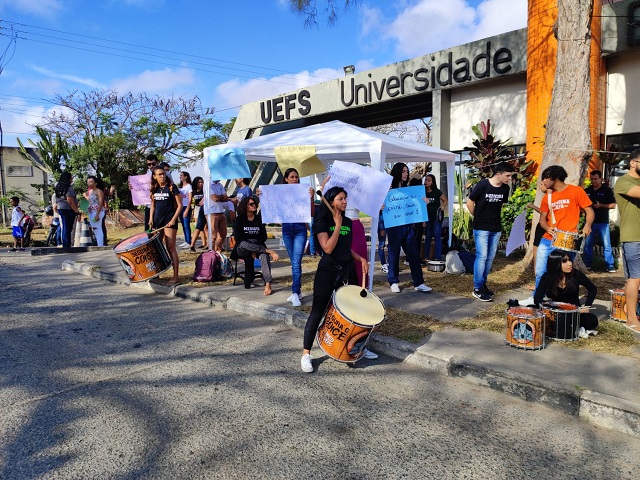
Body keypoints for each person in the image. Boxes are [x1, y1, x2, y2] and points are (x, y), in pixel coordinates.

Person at [300, 186, 373, 373]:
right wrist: (337, 225)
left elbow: (344, 247)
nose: (345, 202)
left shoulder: (348, 221)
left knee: (353, 312)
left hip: (346, 271)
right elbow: (328, 248)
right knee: (318, 311)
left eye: (345, 198)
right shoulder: (322, 221)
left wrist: (360, 258)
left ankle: (357, 348)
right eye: (341, 199)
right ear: (331, 201)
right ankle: (306, 354)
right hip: (328, 272)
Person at [536, 165, 594, 289]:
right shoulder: (547, 197)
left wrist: (587, 225)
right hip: (548, 239)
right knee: (541, 271)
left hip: (568, 239)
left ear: (555, 178)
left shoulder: (576, 191)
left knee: (565, 272)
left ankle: (562, 299)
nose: (543, 181)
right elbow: (542, 220)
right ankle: (538, 297)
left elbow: (589, 211)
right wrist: (547, 228)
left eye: (545, 178)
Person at [466, 162, 514, 301]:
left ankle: (483, 284)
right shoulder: (482, 185)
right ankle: (477, 288)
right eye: (507, 175)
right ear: (498, 174)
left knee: (490, 257)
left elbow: (499, 206)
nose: (509, 178)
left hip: (495, 228)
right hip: (481, 228)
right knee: (482, 256)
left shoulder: (505, 188)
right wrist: (479, 218)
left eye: (510, 176)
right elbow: (470, 202)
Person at [384, 163, 432, 293]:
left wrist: (424, 202)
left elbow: (416, 203)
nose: (406, 174)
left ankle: (419, 282)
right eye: (403, 171)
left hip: (408, 226)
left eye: (407, 171)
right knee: (394, 253)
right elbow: (379, 204)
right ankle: (393, 281)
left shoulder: (410, 189)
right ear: (397, 172)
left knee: (414, 254)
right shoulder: (388, 188)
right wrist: (381, 205)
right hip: (394, 226)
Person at [533, 250, 599, 338]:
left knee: (592, 320)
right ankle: (566, 327)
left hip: (573, 312)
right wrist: (549, 308)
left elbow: (592, 289)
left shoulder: (576, 274)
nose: (570, 264)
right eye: (564, 261)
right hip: (555, 312)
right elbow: (537, 299)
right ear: (555, 264)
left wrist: (587, 306)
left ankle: (566, 327)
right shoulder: (547, 277)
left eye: (569, 260)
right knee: (531, 309)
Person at [279, 168, 315, 307]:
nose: (295, 179)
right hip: (287, 229)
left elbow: (311, 213)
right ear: (286, 179)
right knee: (294, 261)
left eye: (297, 177)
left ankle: (295, 292)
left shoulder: (303, 193)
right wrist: (262, 195)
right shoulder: (280, 194)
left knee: (296, 262)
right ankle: (297, 291)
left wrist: (311, 198)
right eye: (292, 177)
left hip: (300, 229)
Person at [614, 149, 640, 333]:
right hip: (634, 238)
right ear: (633, 163)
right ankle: (631, 318)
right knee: (635, 278)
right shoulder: (624, 182)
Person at [232, 196, 280, 295]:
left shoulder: (259, 219)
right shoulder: (239, 219)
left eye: (254, 203)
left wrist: (255, 249)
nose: (254, 205)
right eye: (251, 204)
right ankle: (270, 251)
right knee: (244, 244)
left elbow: (263, 236)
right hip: (243, 248)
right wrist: (253, 250)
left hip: (258, 244)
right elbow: (238, 238)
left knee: (264, 256)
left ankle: (268, 283)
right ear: (245, 206)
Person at [149, 166, 181, 285]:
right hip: (158, 222)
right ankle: (157, 274)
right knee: (156, 248)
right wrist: (151, 220)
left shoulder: (172, 187)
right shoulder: (154, 188)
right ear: (154, 176)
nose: (162, 176)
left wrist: (173, 219)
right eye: (159, 174)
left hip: (169, 220)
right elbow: (153, 205)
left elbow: (180, 206)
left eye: (163, 174)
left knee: (170, 247)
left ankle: (175, 276)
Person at [583, 170, 617, 272]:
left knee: (606, 244)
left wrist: (600, 205)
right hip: (590, 223)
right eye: (592, 179)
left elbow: (613, 205)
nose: (594, 181)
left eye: (596, 179)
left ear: (601, 179)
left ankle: (610, 265)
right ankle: (587, 264)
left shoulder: (606, 190)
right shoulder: (587, 191)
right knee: (588, 244)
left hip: (603, 222)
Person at [423, 173, 448, 261]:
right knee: (428, 236)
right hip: (427, 217)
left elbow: (445, 200)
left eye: (429, 180)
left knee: (437, 236)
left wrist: (442, 206)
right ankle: (426, 257)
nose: (426, 182)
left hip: (437, 217)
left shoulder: (437, 191)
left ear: (432, 183)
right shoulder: (423, 192)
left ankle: (438, 257)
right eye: (425, 180)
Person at [54, 171, 80, 248]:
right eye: (71, 177)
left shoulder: (58, 188)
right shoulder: (68, 188)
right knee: (68, 227)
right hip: (68, 209)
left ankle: (66, 244)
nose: (72, 179)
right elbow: (70, 201)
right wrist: (76, 211)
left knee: (65, 227)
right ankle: (66, 245)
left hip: (61, 208)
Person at [208, 179, 229, 252]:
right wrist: (222, 196)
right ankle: (211, 253)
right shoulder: (208, 185)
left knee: (223, 234)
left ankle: (218, 250)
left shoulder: (220, 185)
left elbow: (226, 198)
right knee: (213, 236)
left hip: (220, 211)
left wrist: (220, 197)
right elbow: (215, 198)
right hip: (212, 212)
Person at [84, 176, 105, 246]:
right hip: (91, 212)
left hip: (97, 212)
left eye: (91, 182)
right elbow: (90, 201)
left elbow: (101, 203)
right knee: (95, 228)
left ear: (95, 183)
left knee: (97, 228)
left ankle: (100, 245)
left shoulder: (99, 191)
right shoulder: (90, 191)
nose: (89, 183)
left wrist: (97, 214)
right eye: (88, 182)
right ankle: (99, 244)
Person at [189, 176, 207, 251]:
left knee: (205, 227)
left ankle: (207, 243)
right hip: (197, 208)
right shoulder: (193, 191)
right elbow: (191, 201)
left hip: (204, 208)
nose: (201, 184)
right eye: (199, 182)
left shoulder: (204, 190)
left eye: (202, 182)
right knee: (199, 227)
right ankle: (203, 243)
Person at [177, 171, 193, 249]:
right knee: (183, 225)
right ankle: (186, 240)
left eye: (181, 175)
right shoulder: (180, 187)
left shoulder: (189, 186)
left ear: (186, 177)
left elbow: (190, 199)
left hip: (186, 206)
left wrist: (187, 209)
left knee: (187, 225)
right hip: (180, 207)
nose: (180, 177)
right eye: (180, 176)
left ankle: (189, 242)